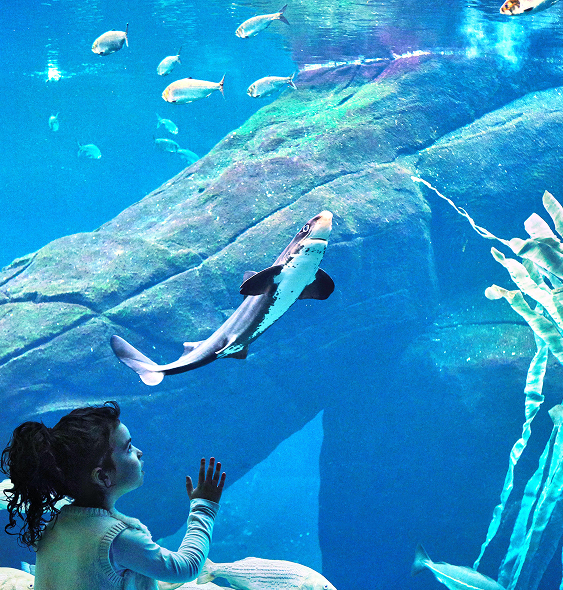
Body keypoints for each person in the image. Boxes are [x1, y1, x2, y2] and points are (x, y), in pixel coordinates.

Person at [0, 400, 226, 590]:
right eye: (128, 448)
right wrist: (204, 508)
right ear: (102, 476)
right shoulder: (118, 540)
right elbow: (186, 567)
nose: (139, 452)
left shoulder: (56, 526)